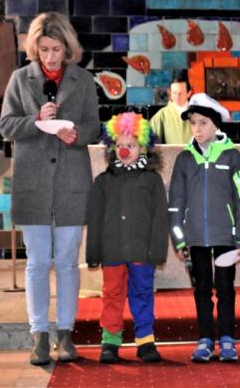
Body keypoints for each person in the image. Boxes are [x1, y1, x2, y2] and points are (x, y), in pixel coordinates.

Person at [0, 12, 100, 366]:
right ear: (35, 48)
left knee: (69, 262)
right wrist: (36, 121)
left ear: (67, 47)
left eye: (57, 49)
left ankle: (67, 334)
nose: (51, 57)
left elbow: (94, 127)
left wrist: (77, 135)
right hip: (33, 183)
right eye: (44, 49)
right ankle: (39, 335)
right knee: (38, 263)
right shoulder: (19, 79)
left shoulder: (84, 80)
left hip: (72, 181)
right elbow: (6, 125)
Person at [168, 93, 240, 363]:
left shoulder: (233, 158)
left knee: (226, 288)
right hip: (195, 239)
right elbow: (175, 205)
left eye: (203, 123)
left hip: (226, 238)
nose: (197, 129)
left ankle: (227, 339)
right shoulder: (184, 159)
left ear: (217, 125)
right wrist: (180, 240)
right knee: (202, 289)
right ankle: (205, 339)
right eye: (193, 123)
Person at [86, 112, 169, 364]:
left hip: (142, 251)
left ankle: (145, 341)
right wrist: (93, 253)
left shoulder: (152, 181)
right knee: (112, 294)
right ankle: (110, 342)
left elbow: (160, 219)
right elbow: (95, 220)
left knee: (142, 293)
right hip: (112, 251)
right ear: (112, 147)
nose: (124, 150)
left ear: (142, 147)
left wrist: (157, 252)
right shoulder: (103, 182)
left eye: (130, 145)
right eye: (120, 145)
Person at [149, 70, 193, 144]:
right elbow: (150, 141)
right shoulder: (162, 115)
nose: (177, 97)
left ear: (189, 93)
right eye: (174, 93)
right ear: (170, 93)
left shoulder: (198, 113)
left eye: (180, 93)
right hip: (171, 155)